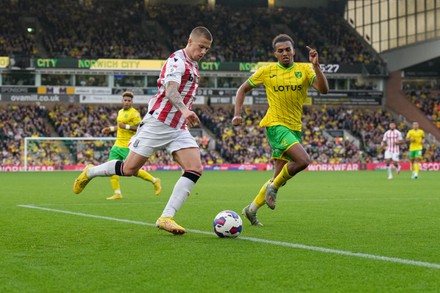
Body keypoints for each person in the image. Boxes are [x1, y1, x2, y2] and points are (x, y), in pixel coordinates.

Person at [73, 26, 212, 235]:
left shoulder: (194, 67)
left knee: (195, 168)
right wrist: (184, 110)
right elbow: (170, 89)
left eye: (207, 49)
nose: (203, 52)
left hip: (177, 128)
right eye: (201, 47)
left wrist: (183, 115)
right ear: (190, 41)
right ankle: (90, 171)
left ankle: (166, 217)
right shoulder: (177, 61)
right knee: (129, 170)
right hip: (157, 123)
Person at [232, 34, 329, 226]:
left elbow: (324, 90)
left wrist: (316, 66)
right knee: (303, 160)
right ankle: (273, 189)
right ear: (275, 53)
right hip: (275, 125)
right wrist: (237, 113)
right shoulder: (267, 71)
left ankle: (251, 210)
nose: (285, 53)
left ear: (293, 51)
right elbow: (242, 89)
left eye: (288, 49)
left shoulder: (304, 70)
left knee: (278, 178)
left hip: (294, 128)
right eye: (280, 50)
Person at [102, 91, 161, 200]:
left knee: (133, 171)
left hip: (127, 145)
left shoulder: (134, 113)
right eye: (125, 100)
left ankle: (154, 181)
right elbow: (119, 126)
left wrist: (127, 127)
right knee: (111, 168)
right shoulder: (120, 112)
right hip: (117, 145)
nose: (127, 102)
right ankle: (117, 193)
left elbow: (140, 127)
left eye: (129, 101)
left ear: (132, 102)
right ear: (122, 101)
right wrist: (110, 129)